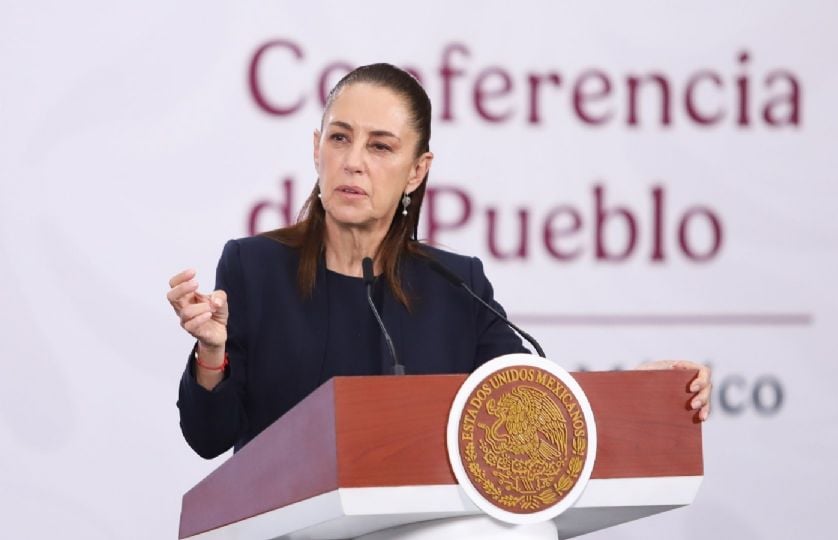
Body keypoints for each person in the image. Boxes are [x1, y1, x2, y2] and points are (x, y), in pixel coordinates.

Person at [167, 63, 712, 459]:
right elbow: (209, 439)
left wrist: (636, 394)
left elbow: (533, 408)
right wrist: (212, 353)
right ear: (317, 149)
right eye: (340, 138)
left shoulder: (456, 285)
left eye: (380, 147)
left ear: (416, 170)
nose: (353, 162)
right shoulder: (254, 269)